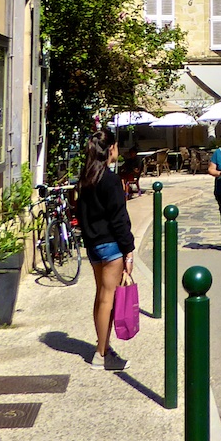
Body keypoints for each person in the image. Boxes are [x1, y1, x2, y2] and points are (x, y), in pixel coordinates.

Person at [74, 131, 135, 370]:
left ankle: (103, 346)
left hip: (93, 245)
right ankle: (102, 354)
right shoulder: (110, 180)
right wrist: (128, 250)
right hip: (111, 245)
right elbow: (119, 218)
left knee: (101, 296)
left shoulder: (86, 179)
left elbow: (80, 213)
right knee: (107, 298)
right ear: (110, 149)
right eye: (116, 146)